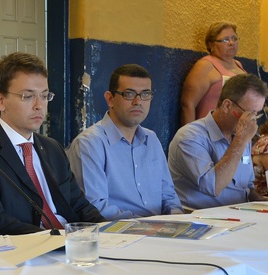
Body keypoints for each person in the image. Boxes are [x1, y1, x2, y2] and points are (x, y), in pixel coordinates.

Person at [0, 52, 102, 236]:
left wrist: (109, 232)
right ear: (0, 100)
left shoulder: (53, 148)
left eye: (44, 96)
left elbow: (79, 206)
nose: (39, 105)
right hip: (34, 246)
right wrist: (57, 240)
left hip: (73, 241)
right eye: (27, 96)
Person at [67, 64, 183, 220]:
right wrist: (148, 226)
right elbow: (96, 207)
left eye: (145, 94)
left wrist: (177, 219)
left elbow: (169, 196)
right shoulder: (90, 143)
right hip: (115, 231)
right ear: (110, 99)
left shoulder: (151, 139)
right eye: (129, 94)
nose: (138, 101)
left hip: (161, 228)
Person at [168, 73, 268, 210]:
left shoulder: (241, 133)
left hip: (239, 213)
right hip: (202, 216)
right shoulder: (190, 137)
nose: (253, 122)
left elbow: (247, 187)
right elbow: (213, 187)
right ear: (227, 106)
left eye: (257, 114)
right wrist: (240, 141)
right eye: (249, 114)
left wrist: (267, 204)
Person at [180, 22, 247, 125]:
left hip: (236, 129)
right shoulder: (205, 65)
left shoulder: (238, 65)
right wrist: (189, 133)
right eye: (225, 40)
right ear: (211, 44)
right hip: (210, 130)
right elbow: (188, 104)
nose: (231, 43)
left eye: (234, 38)